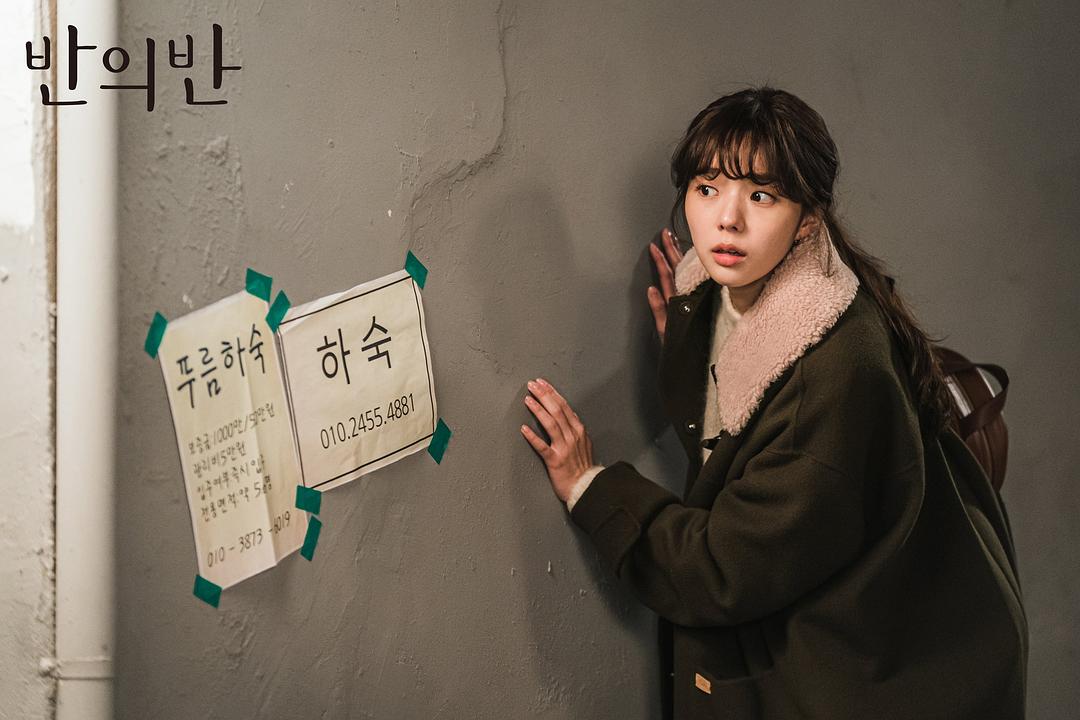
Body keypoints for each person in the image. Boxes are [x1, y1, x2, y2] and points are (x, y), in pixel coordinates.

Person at [519, 86, 1028, 719]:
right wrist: (695, 346)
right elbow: (743, 434)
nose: (727, 220)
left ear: (808, 218)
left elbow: (720, 570)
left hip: (881, 678)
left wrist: (589, 486)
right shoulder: (751, 290)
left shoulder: (833, 376)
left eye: (762, 195)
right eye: (707, 188)